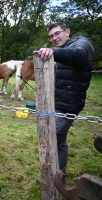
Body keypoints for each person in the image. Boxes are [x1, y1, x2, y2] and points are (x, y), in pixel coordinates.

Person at [33, 22, 94, 175]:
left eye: (57, 33)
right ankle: (58, 175)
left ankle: (53, 177)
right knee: (59, 142)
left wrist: (52, 51)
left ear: (67, 31)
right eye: (51, 36)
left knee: (52, 139)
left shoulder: (81, 43)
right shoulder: (62, 49)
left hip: (67, 105)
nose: (54, 38)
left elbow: (79, 56)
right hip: (56, 103)